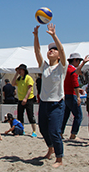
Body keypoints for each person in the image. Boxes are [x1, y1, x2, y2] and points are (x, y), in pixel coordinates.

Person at [33, 23, 67, 168]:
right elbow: (37, 51)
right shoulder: (45, 67)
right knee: (42, 129)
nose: (51, 51)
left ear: (58, 54)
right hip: (44, 103)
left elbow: (62, 49)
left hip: (57, 104)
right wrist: (36, 36)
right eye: (50, 50)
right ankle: (50, 149)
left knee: (54, 131)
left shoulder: (62, 67)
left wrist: (54, 35)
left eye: (54, 50)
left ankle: (59, 158)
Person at [61, 52, 83, 140]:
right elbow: (75, 84)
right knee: (78, 116)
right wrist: (78, 96)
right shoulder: (73, 71)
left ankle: (60, 132)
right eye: (79, 61)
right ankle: (73, 134)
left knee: (65, 115)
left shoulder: (65, 69)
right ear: (75, 60)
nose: (79, 63)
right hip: (72, 95)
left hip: (66, 95)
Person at [12, 64, 37, 137]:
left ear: (24, 70)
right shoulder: (19, 79)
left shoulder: (28, 78)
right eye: (18, 70)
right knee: (20, 116)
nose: (19, 71)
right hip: (20, 99)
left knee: (30, 116)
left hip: (29, 99)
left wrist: (25, 98)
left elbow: (30, 88)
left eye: (20, 70)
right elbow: (13, 83)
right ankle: (22, 130)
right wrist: (16, 73)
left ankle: (34, 131)